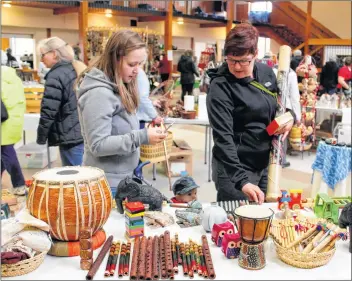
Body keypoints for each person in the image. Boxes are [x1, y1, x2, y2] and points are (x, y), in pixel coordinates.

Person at [206, 23, 294, 204]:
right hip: (235, 170)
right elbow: (223, 138)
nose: (237, 67)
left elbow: (279, 104)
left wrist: (289, 117)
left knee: (264, 219)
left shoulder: (266, 73)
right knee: (237, 224)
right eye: (231, 60)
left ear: (256, 54)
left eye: (244, 61)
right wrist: (241, 181)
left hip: (265, 163)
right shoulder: (220, 87)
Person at [76, 30, 167, 194]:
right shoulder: (98, 93)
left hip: (124, 177)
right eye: (132, 65)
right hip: (107, 183)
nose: (137, 70)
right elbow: (98, 145)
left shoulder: (121, 85)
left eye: (140, 64)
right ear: (114, 59)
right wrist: (143, 136)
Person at [36, 37, 87, 166]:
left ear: (54, 53)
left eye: (42, 55)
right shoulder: (74, 68)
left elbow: (48, 110)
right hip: (81, 132)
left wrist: (41, 137)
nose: (41, 60)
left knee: (74, 177)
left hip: (69, 135)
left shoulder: (55, 75)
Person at [1, 66, 26, 196]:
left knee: (7, 153)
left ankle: (19, 184)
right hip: (14, 120)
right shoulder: (13, 78)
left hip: (3, 122)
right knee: (4, 152)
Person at [273, 53, 301, 168]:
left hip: (271, 106)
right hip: (286, 108)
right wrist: (298, 116)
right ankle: (281, 160)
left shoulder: (271, 70)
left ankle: (272, 159)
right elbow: (294, 96)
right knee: (282, 134)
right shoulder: (291, 74)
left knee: (272, 131)